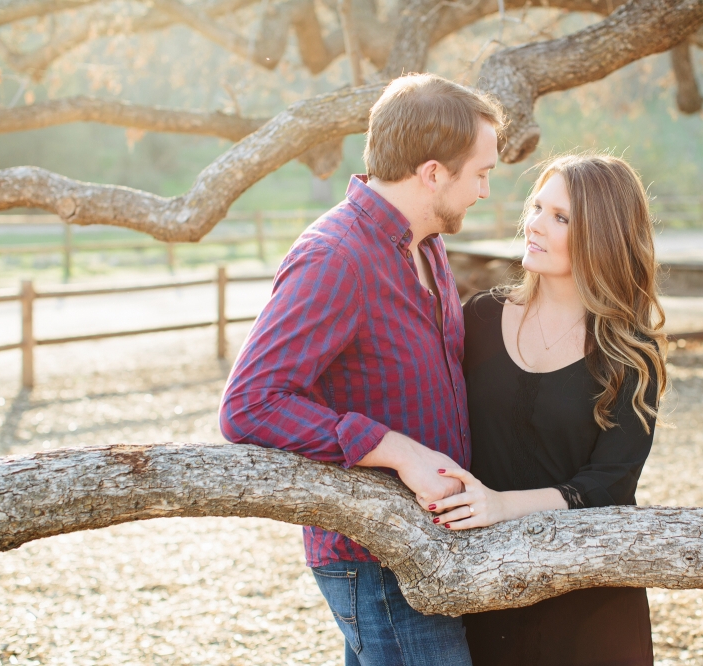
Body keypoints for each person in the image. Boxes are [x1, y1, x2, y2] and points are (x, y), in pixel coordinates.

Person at [218, 73, 504, 666]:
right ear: (432, 172)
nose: (483, 190)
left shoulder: (425, 244)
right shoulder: (335, 257)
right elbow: (249, 405)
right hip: (371, 556)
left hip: (427, 541)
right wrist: (396, 449)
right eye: (480, 173)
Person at [428, 153, 668, 666]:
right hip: (484, 579)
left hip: (589, 597)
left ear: (602, 235)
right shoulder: (482, 317)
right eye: (537, 206)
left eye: (560, 217)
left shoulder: (630, 352)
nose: (534, 224)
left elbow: (610, 483)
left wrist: (500, 505)